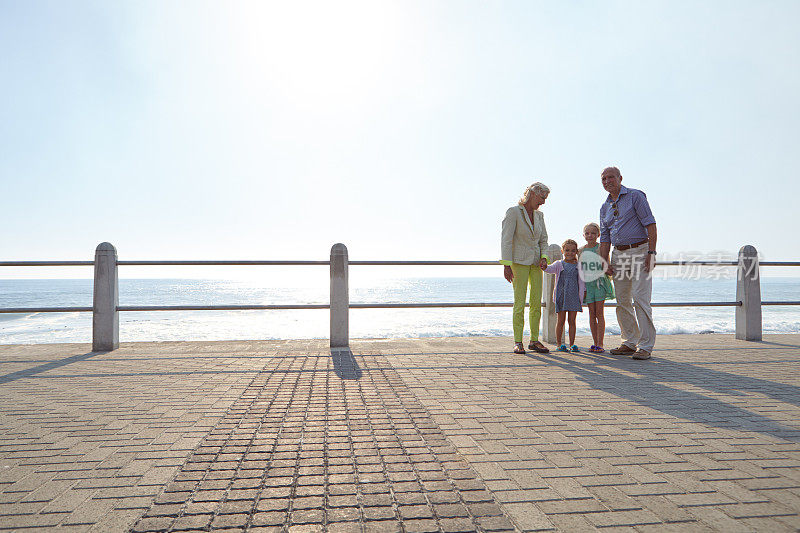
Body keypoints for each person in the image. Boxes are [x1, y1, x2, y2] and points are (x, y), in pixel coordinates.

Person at [598, 166, 657, 360]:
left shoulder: (635, 196)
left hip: (640, 251)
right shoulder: (604, 207)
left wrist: (651, 252)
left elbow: (651, 224)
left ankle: (646, 346)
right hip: (619, 255)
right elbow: (604, 238)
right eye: (604, 178)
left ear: (620, 178)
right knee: (622, 300)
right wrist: (604, 261)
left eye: (611, 177)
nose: (607, 181)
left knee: (640, 298)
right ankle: (630, 342)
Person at [501, 182, 551, 355]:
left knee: (536, 303)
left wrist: (544, 257)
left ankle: (534, 340)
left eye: (545, 198)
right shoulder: (513, 212)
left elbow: (543, 240)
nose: (543, 202)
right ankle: (517, 341)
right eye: (542, 197)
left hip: (536, 263)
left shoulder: (540, 216)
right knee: (520, 303)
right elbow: (506, 240)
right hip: (518, 263)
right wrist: (506, 265)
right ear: (532, 194)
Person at [543, 239, 585, 353]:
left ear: (576, 252)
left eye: (572, 251)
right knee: (560, 321)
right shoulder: (559, 264)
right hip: (561, 295)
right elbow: (549, 269)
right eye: (567, 250)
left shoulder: (579, 266)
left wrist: (581, 297)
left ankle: (572, 344)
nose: (569, 253)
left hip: (573, 296)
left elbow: (582, 283)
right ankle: (559, 344)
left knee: (572, 321)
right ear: (562, 251)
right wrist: (544, 266)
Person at [580, 222, 615, 353]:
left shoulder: (601, 248)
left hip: (599, 283)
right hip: (588, 285)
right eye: (587, 233)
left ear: (598, 234)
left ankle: (600, 343)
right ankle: (594, 342)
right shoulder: (581, 250)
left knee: (599, 313)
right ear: (583, 235)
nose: (590, 235)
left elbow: (607, 265)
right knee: (591, 313)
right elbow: (580, 269)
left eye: (593, 233)